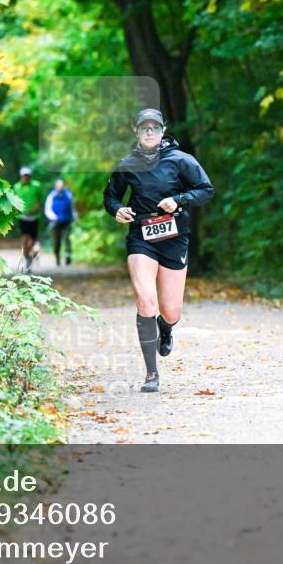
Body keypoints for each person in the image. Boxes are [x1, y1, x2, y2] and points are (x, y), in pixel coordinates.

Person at [103, 108, 214, 393]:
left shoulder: (181, 160)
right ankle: (151, 373)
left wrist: (178, 200)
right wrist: (118, 210)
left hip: (175, 238)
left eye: (155, 127)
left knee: (171, 310)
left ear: (163, 130)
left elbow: (206, 189)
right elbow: (111, 195)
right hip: (141, 236)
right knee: (145, 302)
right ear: (136, 132)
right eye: (144, 128)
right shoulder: (127, 164)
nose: (149, 132)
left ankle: (166, 328)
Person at [12, 167, 43, 272]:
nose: (26, 178)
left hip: (34, 217)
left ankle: (30, 256)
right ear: (21, 176)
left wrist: (36, 209)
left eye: (28, 176)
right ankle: (27, 259)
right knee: (24, 240)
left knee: (31, 242)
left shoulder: (36, 186)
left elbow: (40, 200)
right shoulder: (16, 187)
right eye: (24, 176)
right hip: (22, 217)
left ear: (30, 176)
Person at [44, 178, 78, 266]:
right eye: (58, 186)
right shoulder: (51, 196)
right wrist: (53, 217)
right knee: (56, 241)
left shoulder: (68, 195)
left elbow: (72, 208)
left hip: (67, 221)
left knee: (67, 239)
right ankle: (57, 256)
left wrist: (75, 217)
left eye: (61, 186)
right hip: (55, 222)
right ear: (56, 186)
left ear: (64, 186)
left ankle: (68, 257)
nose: (60, 187)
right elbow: (48, 209)